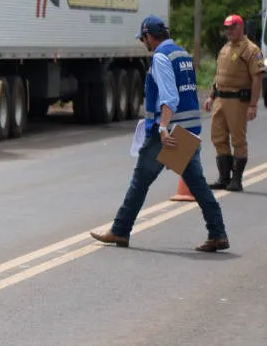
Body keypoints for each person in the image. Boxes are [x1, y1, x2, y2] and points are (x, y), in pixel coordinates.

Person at [91, 15, 230, 252]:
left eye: (143, 38)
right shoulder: (182, 54)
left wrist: (163, 127)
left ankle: (121, 230)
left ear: (149, 36)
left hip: (169, 132)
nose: (144, 43)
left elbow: (170, 97)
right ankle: (217, 233)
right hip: (188, 129)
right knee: (196, 183)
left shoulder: (161, 57)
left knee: (140, 181)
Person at [202, 13, 265, 192]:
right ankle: (224, 178)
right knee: (218, 137)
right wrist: (211, 96)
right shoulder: (225, 49)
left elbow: (257, 78)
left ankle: (236, 180)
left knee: (238, 139)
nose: (229, 31)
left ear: (241, 27)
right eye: (226, 28)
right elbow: (219, 75)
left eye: (233, 27)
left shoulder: (251, 50)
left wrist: (253, 105)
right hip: (221, 99)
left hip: (238, 100)